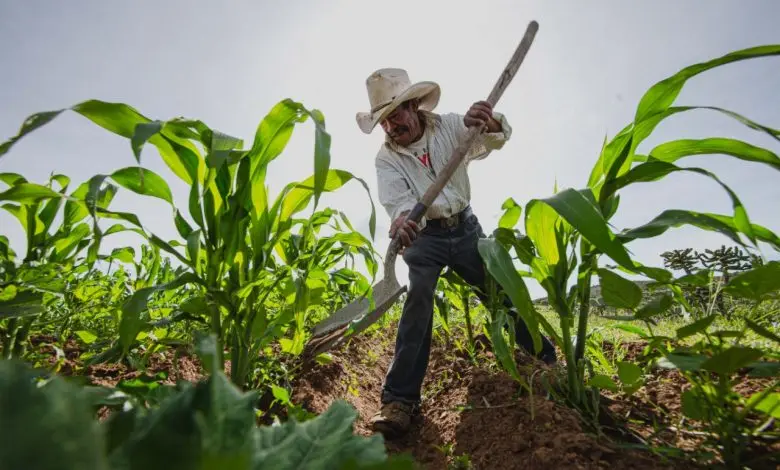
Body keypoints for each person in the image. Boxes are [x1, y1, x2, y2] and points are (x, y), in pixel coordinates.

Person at [355, 68, 557, 438]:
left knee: (500, 295)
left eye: (395, 115)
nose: (390, 126)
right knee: (417, 302)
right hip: (425, 239)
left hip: (464, 229)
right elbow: (397, 202)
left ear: (414, 106)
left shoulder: (449, 127)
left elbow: (496, 137)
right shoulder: (387, 158)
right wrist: (402, 222)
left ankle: (546, 360)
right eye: (383, 121)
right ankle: (399, 401)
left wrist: (487, 120)